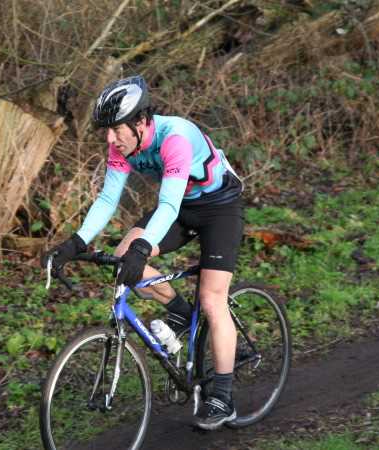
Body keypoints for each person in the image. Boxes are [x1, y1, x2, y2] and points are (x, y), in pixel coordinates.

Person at [41, 75, 244, 430]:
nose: (110, 138)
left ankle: (223, 398)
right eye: (106, 131)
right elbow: (108, 199)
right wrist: (75, 243)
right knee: (125, 256)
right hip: (181, 208)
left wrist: (143, 247)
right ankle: (182, 314)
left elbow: (167, 204)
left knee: (212, 299)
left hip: (218, 209)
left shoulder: (174, 137)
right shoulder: (122, 145)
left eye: (116, 129)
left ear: (141, 122)